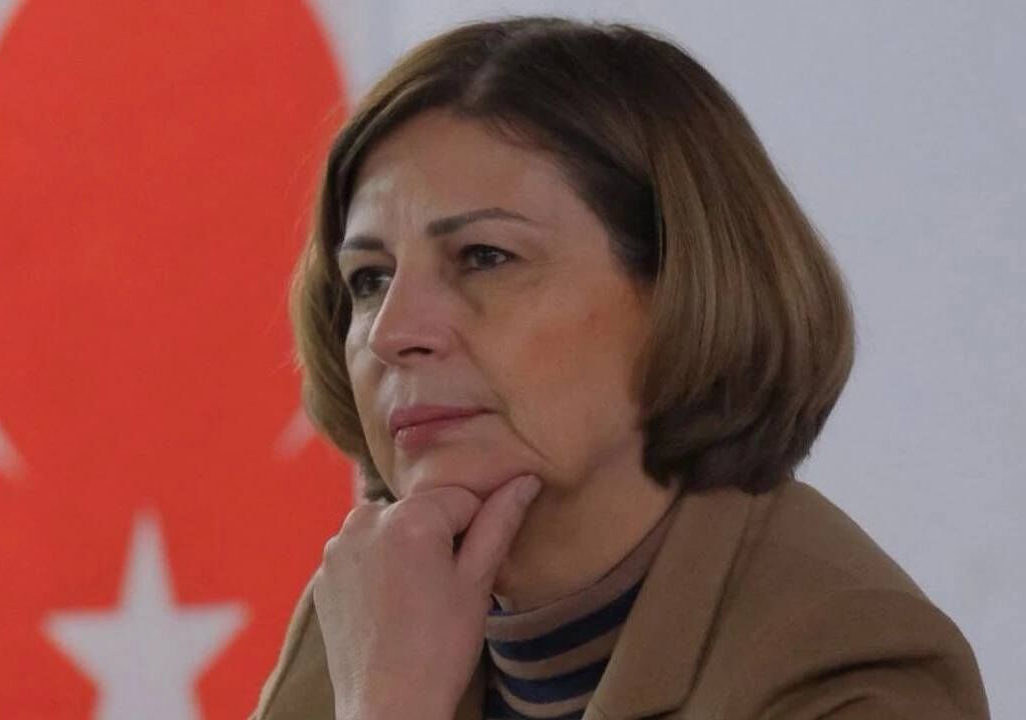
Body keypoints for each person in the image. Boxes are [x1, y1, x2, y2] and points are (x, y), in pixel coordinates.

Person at [249, 16, 989, 720]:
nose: (393, 332)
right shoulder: (372, 620)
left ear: (684, 289)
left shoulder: (847, 663)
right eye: (370, 279)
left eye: (484, 257)